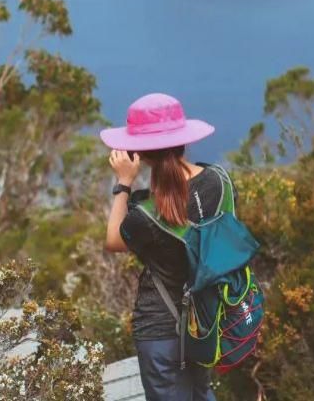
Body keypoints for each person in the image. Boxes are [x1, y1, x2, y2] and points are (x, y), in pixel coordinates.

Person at [101, 92, 221, 401]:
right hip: (204, 319)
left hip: (160, 330)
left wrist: (124, 184)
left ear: (141, 153)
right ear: (183, 139)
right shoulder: (218, 182)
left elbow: (113, 240)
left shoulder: (145, 215)